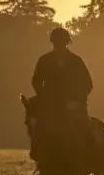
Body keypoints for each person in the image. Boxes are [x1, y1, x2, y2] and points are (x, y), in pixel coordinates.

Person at [29, 27, 95, 164]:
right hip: (51, 105)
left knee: (86, 130)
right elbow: (36, 81)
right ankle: (39, 158)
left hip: (75, 105)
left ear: (67, 43)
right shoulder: (44, 60)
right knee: (37, 127)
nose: (58, 46)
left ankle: (93, 161)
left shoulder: (76, 61)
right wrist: (44, 97)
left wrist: (77, 101)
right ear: (52, 43)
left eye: (62, 43)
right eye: (56, 43)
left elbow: (87, 84)